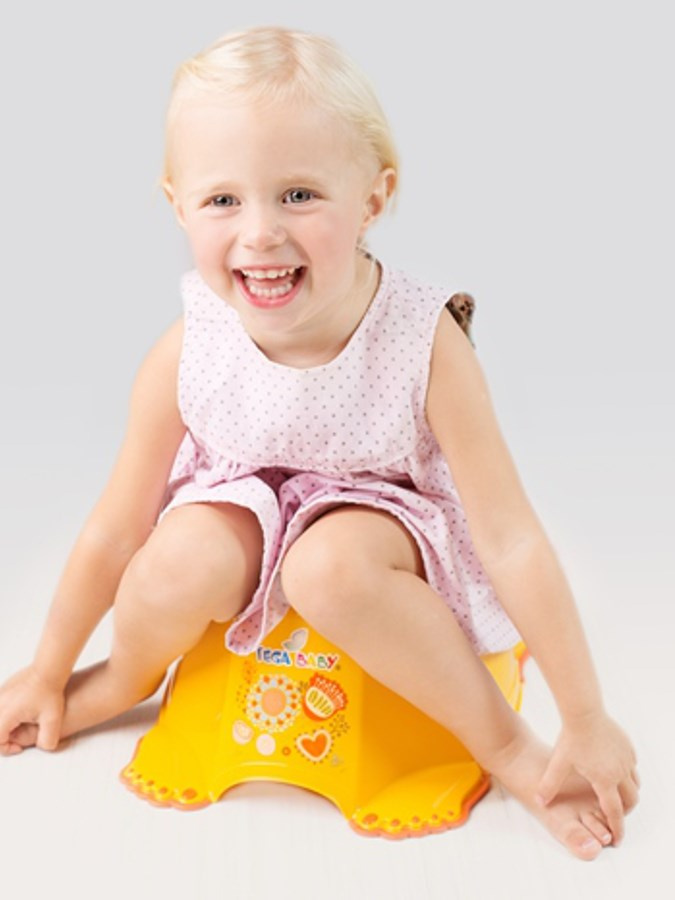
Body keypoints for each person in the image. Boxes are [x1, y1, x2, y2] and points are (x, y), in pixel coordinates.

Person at [0, 25, 639, 859]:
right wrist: (48, 669)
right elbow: (117, 528)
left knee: (326, 568)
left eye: (298, 194)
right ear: (177, 204)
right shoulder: (189, 346)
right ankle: (126, 680)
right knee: (172, 558)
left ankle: (508, 749)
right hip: (244, 516)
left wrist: (585, 717)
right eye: (222, 200)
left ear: (373, 199)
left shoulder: (423, 341)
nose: (260, 232)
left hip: (382, 528)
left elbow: (509, 535)